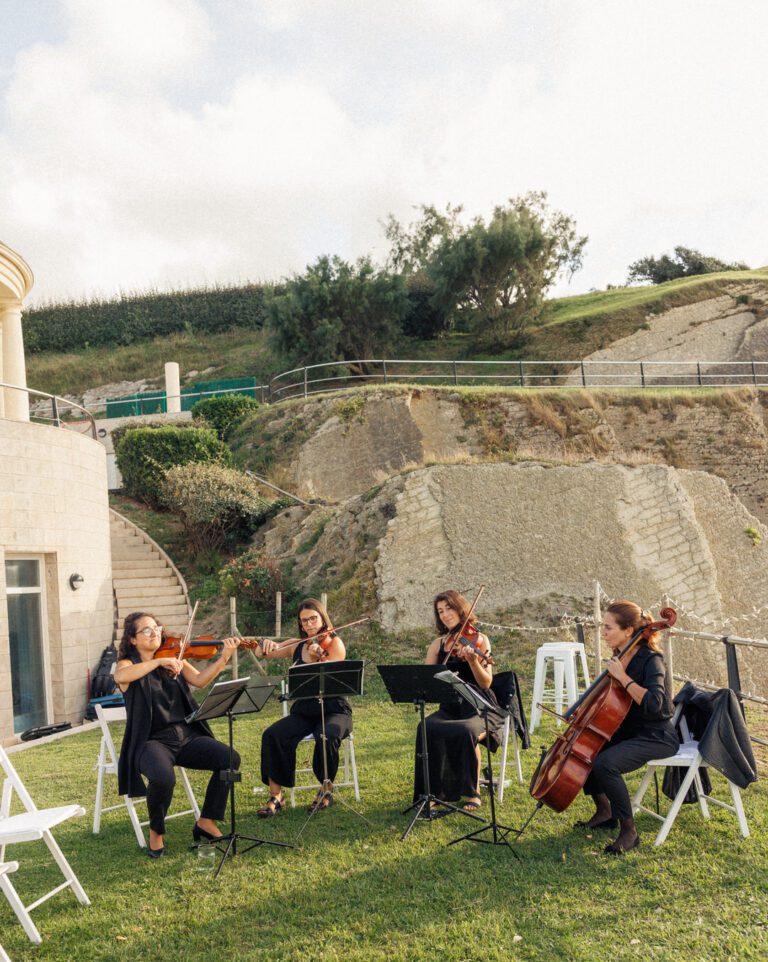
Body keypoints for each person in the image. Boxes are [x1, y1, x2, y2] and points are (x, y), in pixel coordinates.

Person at [115, 612, 240, 858]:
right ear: (132, 639)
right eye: (147, 630)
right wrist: (158, 662)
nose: (155, 633)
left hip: (185, 735)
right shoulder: (128, 664)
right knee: (163, 778)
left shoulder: (173, 657)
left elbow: (200, 680)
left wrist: (224, 657)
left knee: (229, 759)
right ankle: (156, 832)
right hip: (151, 741)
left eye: (156, 628)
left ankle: (206, 821)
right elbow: (120, 677)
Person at [578, 600, 680, 854]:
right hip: (630, 730)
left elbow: (655, 704)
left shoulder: (652, 660)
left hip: (656, 735)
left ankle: (629, 832)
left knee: (606, 763)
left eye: (608, 627)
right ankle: (605, 811)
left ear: (628, 631)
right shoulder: (620, 656)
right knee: (586, 748)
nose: (603, 633)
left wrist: (622, 677)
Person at [257, 598, 352, 816]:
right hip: (305, 711)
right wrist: (264, 645)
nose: (309, 624)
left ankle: (326, 788)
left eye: (313, 619)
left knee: (327, 735)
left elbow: (330, 676)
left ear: (322, 618)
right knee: (272, 735)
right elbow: (264, 653)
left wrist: (320, 656)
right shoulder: (296, 645)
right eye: (304, 621)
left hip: (334, 709)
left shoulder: (334, 644)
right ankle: (276, 796)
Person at [413, 590, 503, 813]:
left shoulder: (480, 639)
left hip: (479, 706)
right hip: (450, 706)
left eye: (449, 608)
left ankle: (473, 792)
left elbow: (486, 683)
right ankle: (433, 792)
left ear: (460, 609)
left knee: (465, 731)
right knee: (426, 727)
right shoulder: (438, 644)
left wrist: (473, 661)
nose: (445, 615)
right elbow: (428, 681)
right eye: (440, 611)